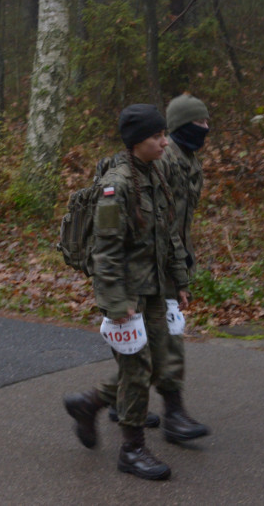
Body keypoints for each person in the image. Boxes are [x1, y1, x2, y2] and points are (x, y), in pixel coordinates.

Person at [63, 104, 190, 481]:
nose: (165, 142)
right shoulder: (117, 185)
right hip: (127, 295)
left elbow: (168, 236)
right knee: (136, 370)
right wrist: (116, 302)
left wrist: (178, 282)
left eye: (164, 134)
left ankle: (88, 404)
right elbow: (106, 251)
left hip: (152, 290)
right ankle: (132, 450)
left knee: (154, 364)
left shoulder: (154, 175)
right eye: (157, 136)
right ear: (138, 141)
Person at [157, 93, 212, 442]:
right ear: (180, 126)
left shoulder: (190, 160)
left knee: (154, 336)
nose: (206, 128)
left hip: (173, 258)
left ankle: (118, 399)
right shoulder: (165, 161)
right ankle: (174, 416)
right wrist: (178, 275)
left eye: (207, 122)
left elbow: (183, 224)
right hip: (155, 261)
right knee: (168, 337)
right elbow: (163, 224)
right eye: (199, 123)